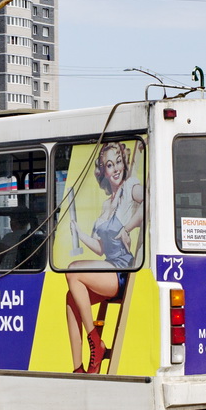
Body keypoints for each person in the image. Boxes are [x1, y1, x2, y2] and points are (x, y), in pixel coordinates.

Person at [65, 142, 144, 374]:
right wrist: (78, 232)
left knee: (72, 270)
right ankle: (78, 367)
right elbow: (100, 248)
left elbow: (150, 200)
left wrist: (127, 228)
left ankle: (95, 344)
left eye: (118, 161)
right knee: (71, 298)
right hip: (107, 268)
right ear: (104, 171)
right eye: (110, 164)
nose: (116, 168)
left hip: (122, 272)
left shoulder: (131, 187)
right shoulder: (105, 204)